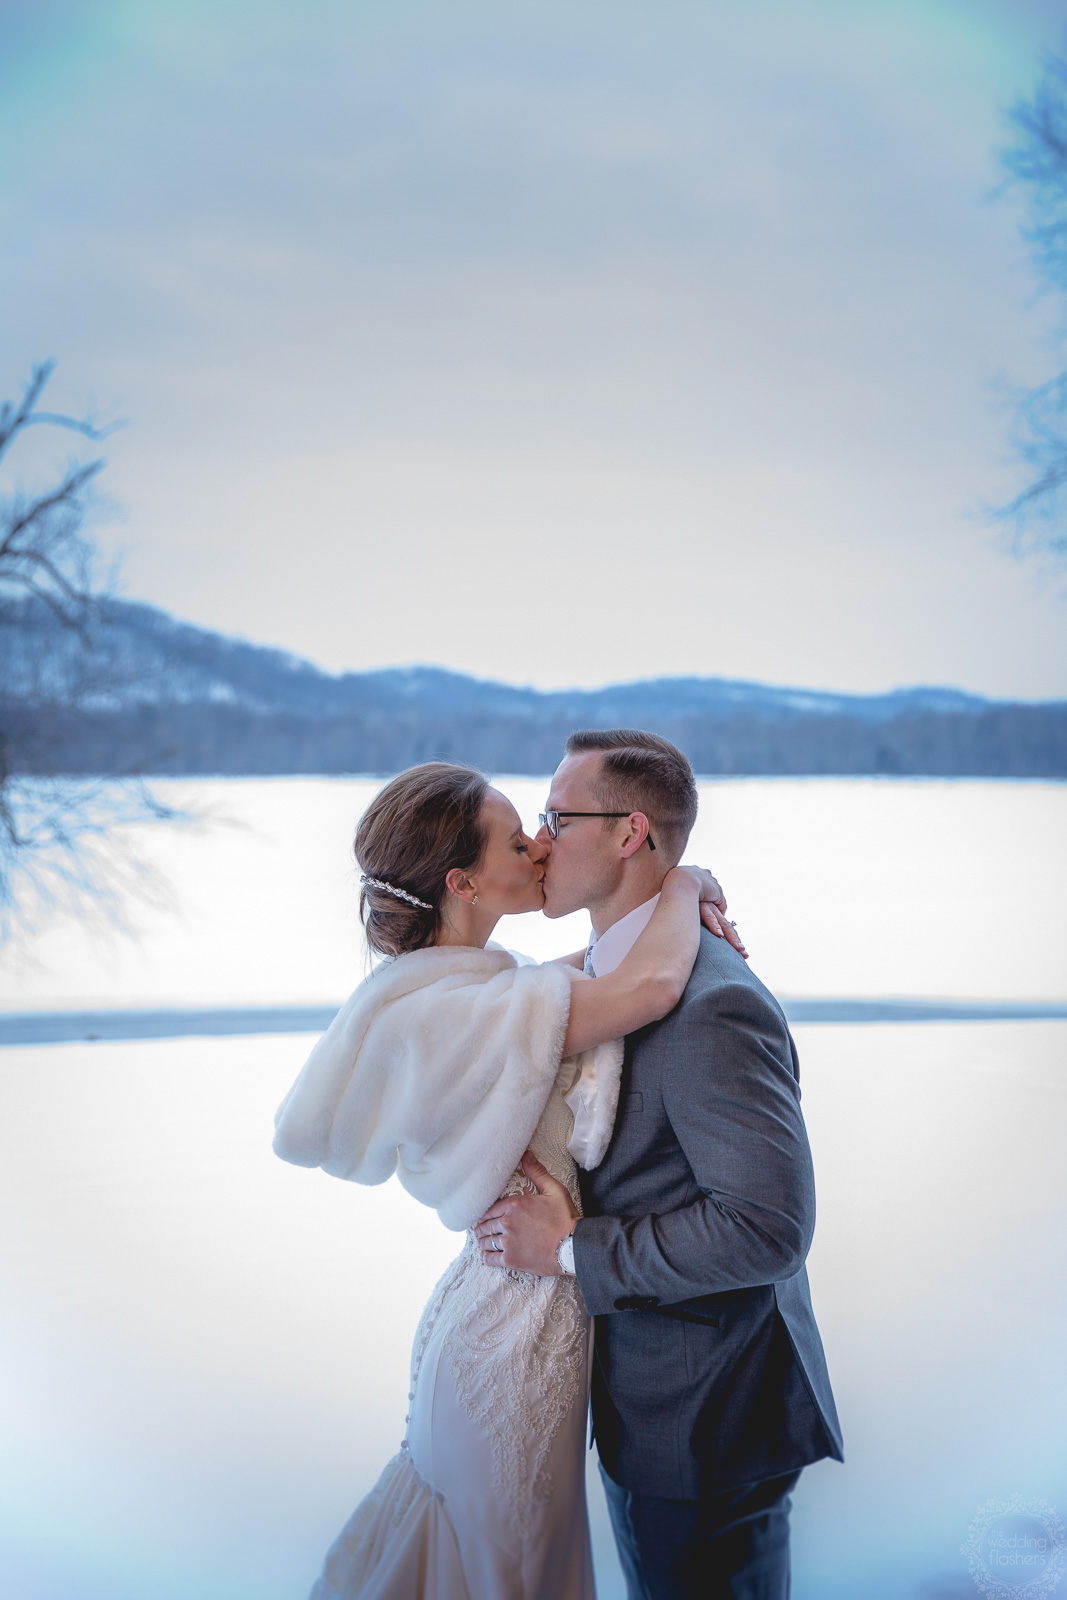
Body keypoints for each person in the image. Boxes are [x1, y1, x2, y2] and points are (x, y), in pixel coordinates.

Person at [272, 759, 739, 1600]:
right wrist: (680, 885)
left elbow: (583, 974)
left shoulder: (446, 994)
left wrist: (664, 896)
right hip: (519, 1332)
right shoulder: (473, 1011)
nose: (539, 849)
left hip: (494, 1304)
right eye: (517, 839)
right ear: (463, 882)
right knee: (517, 1574)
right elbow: (650, 984)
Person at [474, 729, 843, 1600]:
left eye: (558, 817)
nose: (539, 840)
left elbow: (768, 1228)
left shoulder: (711, 1007)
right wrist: (686, 885)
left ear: (630, 832)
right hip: (654, 1404)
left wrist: (569, 1251)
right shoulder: (617, 970)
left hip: (704, 1420)